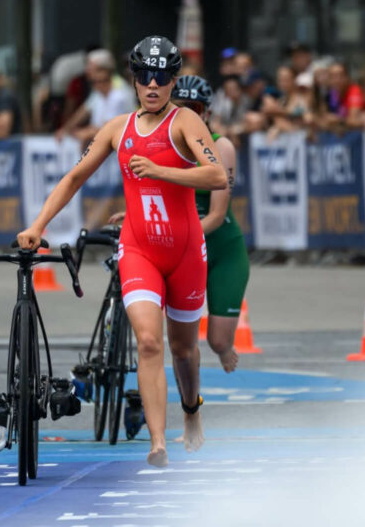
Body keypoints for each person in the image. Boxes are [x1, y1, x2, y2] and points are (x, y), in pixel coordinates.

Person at [17, 36, 227, 467]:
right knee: (148, 342)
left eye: (162, 77)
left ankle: (191, 410)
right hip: (140, 250)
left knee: (183, 350)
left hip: (185, 253)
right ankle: (158, 443)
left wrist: (161, 170)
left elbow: (217, 176)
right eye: (144, 76)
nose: (153, 85)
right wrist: (38, 225)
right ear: (132, 79)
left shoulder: (185, 121)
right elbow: (74, 178)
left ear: (173, 81)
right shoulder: (118, 129)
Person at [114, 75, 249, 373]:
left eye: (195, 108)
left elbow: (216, 215)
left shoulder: (221, 146)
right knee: (178, 343)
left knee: (217, 340)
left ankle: (224, 348)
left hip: (220, 248)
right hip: (178, 243)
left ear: (207, 112)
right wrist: (138, 217)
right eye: (181, 105)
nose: (188, 113)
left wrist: (179, 234)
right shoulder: (164, 140)